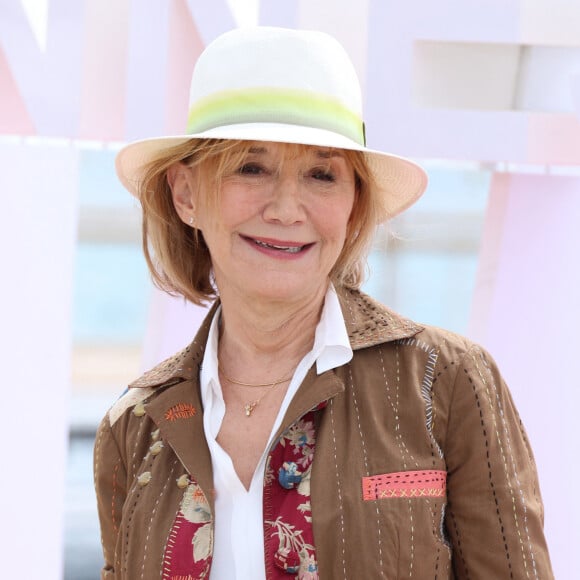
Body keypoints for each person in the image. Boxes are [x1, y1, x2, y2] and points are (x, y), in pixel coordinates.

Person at [93, 27, 553, 579]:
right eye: (251, 167)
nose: (288, 209)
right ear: (186, 193)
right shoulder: (134, 425)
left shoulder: (447, 381)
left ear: (354, 204)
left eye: (321, 174)